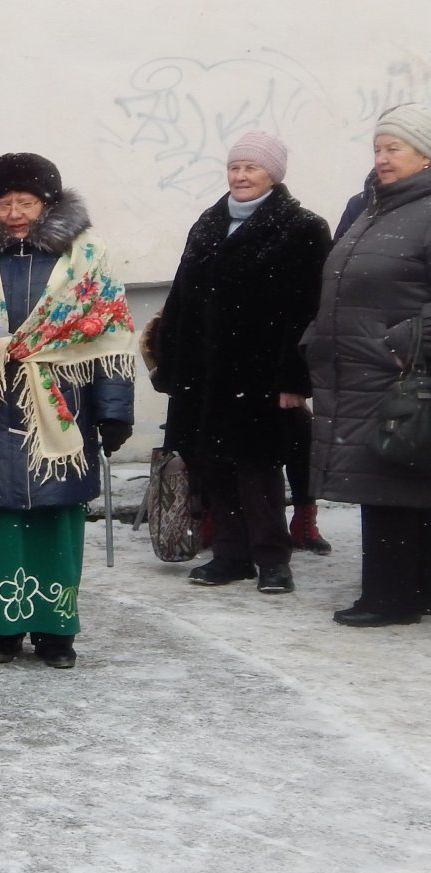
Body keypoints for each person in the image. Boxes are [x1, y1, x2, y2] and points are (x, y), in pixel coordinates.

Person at [0, 155, 136, 666]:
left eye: (25, 201)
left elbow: (111, 335)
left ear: (49, 204)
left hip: (66, 404)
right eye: (4, 203)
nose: (15, 213)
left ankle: (54, 628)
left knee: (56, 518)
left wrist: (115, 410)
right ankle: (1, 627)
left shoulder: (86, 257)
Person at [150, 133, 332, 595]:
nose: (240, 176)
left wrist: (296, 378)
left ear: (273, 173)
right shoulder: (209, 223)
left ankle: (272, 559)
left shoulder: (302, 227)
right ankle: (230, 557)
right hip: (202, 372)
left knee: (258, 466)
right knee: (211, 465)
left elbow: (309, 309)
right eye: (235, 167)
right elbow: (180, 297)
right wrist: (168, 364)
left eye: (251, 167)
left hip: (261, 372)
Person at [303, 104, 431, 627]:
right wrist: (318, 336)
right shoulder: (377, 208)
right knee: (384, 478)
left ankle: (392, 597)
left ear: (425, 155)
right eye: (377, 148)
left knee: (393, 478)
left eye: (393, 148)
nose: (381, 158)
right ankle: (403, 590)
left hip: (399, 371)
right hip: (358, 367)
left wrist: (410, 340)